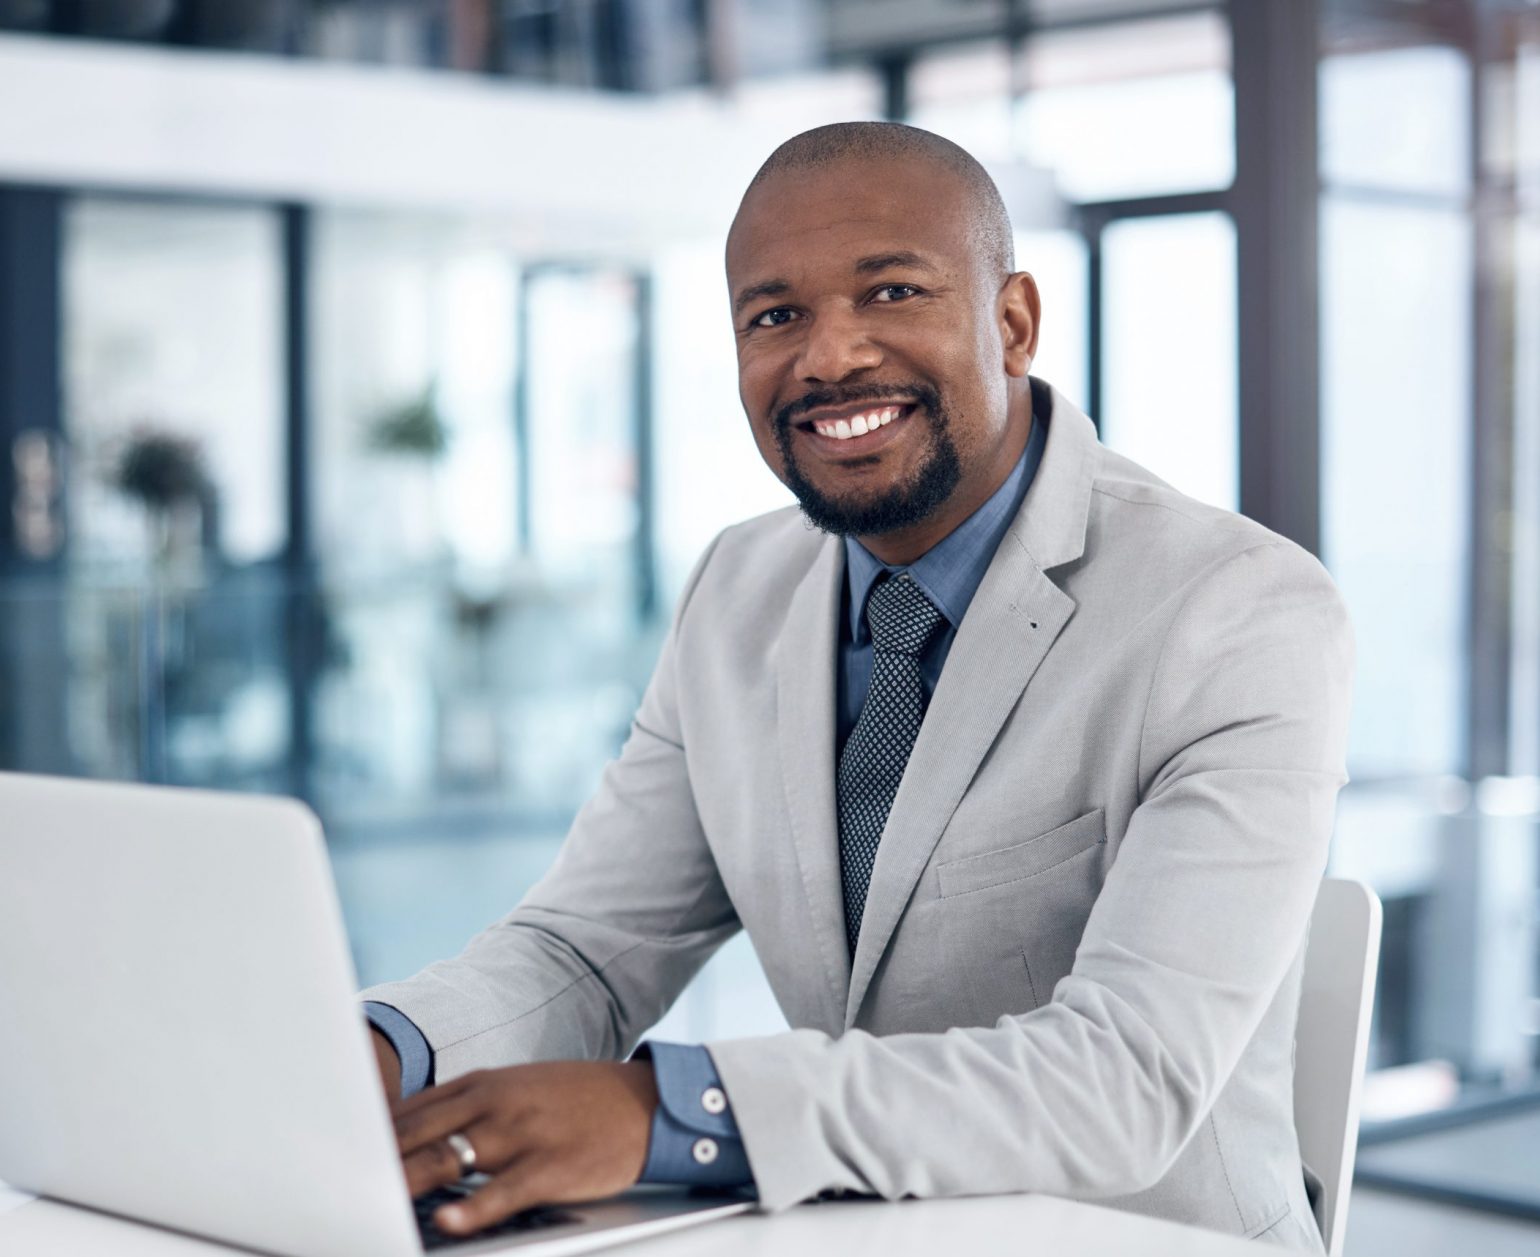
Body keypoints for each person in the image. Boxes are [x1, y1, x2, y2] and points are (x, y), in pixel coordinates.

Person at [361, 122, 1352, 1253]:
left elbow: (1121, 1078)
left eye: (890, 291)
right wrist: (386, 1048)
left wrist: (668, 1112)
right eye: (774, 316)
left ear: (1013, 322)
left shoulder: (1236, 610)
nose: (829, 357)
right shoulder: (737, 587)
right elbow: (586, 950)